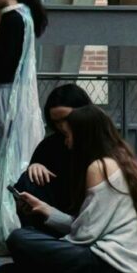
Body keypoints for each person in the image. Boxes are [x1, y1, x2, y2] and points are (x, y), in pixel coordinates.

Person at [0, 106, 137, 273]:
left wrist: (50, 249)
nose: (66, 143)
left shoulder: (100, 167)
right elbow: (89, 226)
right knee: (27, 246)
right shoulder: (123, 162)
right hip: (131, 268)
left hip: (110, 265)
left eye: (68, 136)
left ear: (84, 137)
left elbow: (85, 235)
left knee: (19, 238)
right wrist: (46, 210)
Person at [0, 0, 48, 251]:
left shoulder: (14, 19)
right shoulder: (22, 17)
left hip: (5, 96)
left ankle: (7, 228)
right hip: (9, 95)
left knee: (4, 158)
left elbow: (0, 60)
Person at [13, 83, 95, 224]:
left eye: (66, 119)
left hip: (87, 220)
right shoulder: (50, 145)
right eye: (57, 122)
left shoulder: (99, 147)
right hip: (54, 216)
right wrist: (36, 167)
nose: (62, 127)